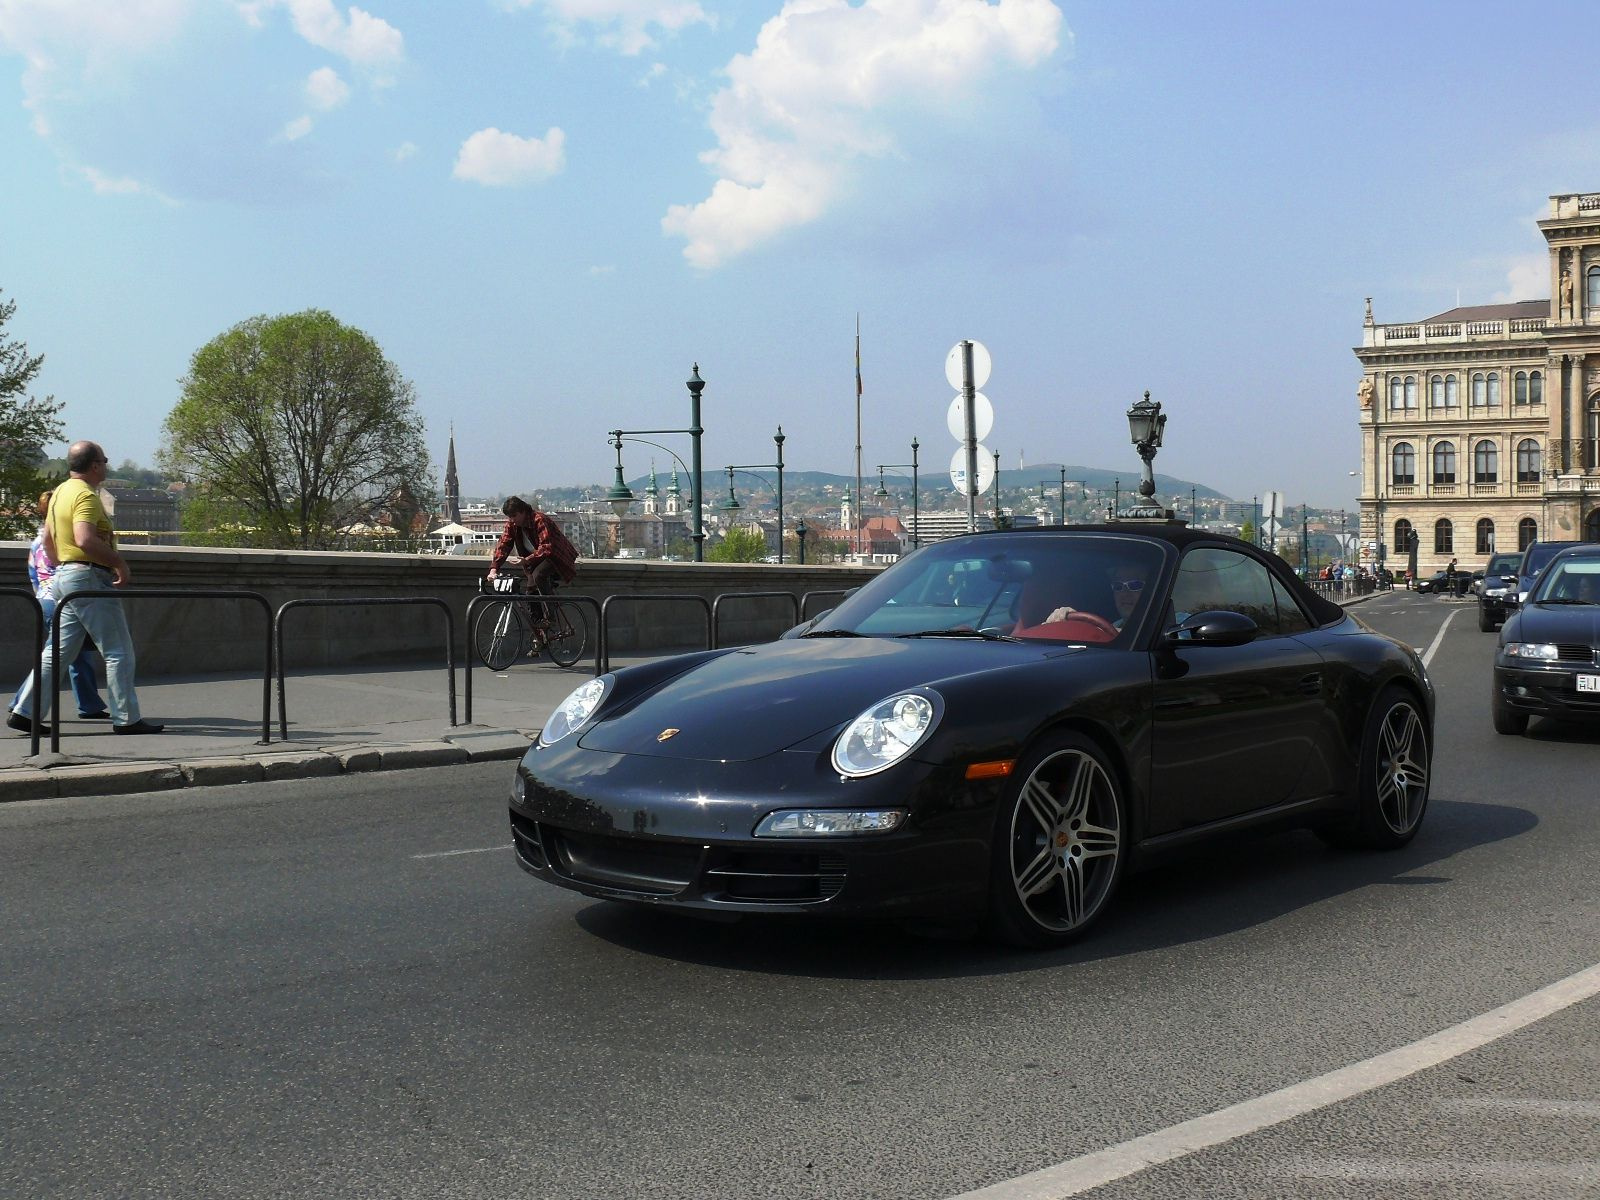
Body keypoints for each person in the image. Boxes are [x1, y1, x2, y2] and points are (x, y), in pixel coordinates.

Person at [8, 441, 163, 736]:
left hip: (66, 577)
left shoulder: (61, 493)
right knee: (118, 650)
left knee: (58, 651)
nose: (106, 465)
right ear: (94, 465)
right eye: (103, 460)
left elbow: (50, 540)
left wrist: (63, 566)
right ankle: (126, 719)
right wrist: (120, 564)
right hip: (90, 576)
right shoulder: (86, 497)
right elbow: (85, 539)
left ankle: (25, 711)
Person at [9, 489, 108, 721]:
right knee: (58, 657)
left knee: (74, 655)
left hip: (44, 599)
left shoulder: (36, 543)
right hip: (62, 600)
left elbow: (34, 575)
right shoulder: (58, 540)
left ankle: (89, 704)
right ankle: (20, 705)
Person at [488, 496, 578, 603]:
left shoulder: (539, 519)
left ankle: (550, 613)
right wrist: (494, 569)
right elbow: (504, 544)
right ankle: (536, 618)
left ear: (523, 512)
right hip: (535, 559)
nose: (512, 520)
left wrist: (527, 560)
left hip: (556, 557)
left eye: (514, 516)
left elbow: (546, 547)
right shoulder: (512, 524)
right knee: (530, 590)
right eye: (509, 517)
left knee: (538, 575)